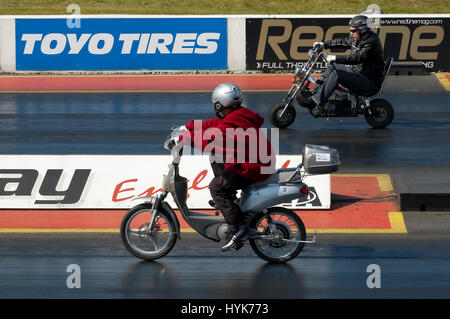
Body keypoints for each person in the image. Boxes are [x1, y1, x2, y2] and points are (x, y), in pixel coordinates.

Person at [165, 83, 275, 251]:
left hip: (254, 167)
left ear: (219, 104)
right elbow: (214, 123)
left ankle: (237, 229)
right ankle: (228, 199)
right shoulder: (238, 115)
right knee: (215, 155)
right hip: (255, 161)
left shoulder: (232, 124)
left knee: (216, 187)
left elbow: (211, 138)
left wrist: (183, 139)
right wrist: (187, 128)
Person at [301, 15, 385, 116]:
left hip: (369, 82)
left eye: (353, 31)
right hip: (359, 73)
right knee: (333, 67)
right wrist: (324, 44)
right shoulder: (359, 38)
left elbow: (356, 58)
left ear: (362, 30)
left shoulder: (371, 42)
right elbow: (343, 41)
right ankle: (315, 95)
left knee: (337, 75)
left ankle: (315, 102)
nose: (351, 33)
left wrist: (335, 58)